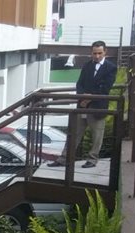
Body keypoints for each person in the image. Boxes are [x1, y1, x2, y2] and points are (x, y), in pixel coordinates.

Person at [49, 41, 117, 169]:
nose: (97, 56)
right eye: (94, 53)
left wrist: (89, 97)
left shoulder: (111, 67)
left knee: (97, 136)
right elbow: (79, 83)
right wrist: (82, 97)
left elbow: (105, 88)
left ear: (105, 52)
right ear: (91, 53)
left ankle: (92, 160)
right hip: (82, 105)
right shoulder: (87, 65)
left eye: (99, 53)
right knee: (73, 134)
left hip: (97, 107)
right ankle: (63, 159)